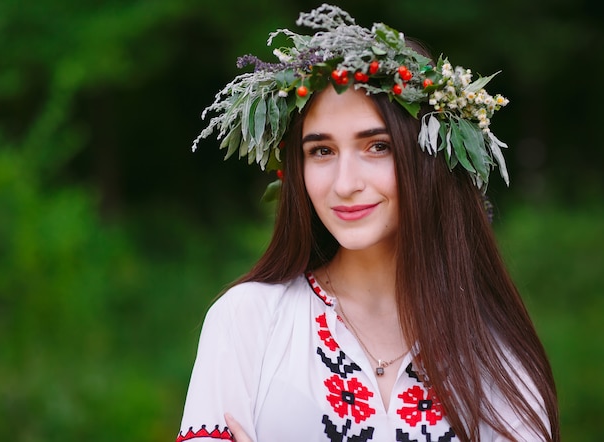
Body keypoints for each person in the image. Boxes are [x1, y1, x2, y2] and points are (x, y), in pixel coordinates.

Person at [177, 5, 559, 442]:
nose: (345, 184)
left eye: (377, 146)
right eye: (321, 151)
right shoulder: (248, 320)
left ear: (429, 158)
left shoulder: (494, 352)